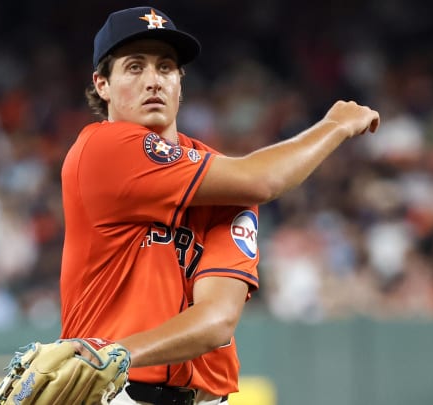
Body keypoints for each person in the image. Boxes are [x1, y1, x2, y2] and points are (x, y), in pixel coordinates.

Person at [59, 5, 379, 404]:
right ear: (102, 84)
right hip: (117, 394)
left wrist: (119, 353)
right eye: (135, 67)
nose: (153, 81)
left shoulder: (227, 181)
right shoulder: (102, 148)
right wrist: (334, 125)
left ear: (181, 81)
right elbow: (263, 179)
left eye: (166, 67)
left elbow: (216, 322)